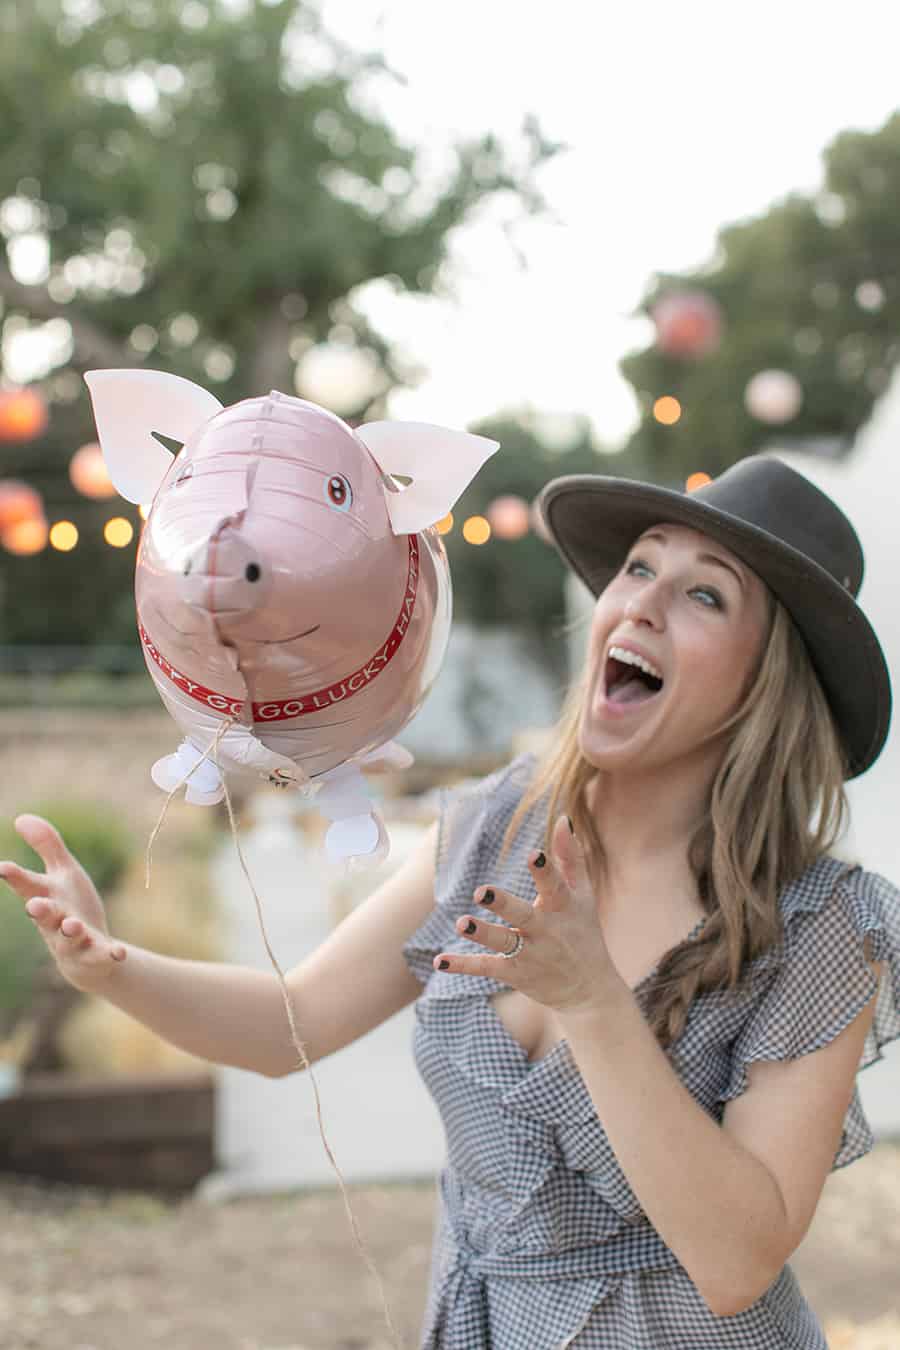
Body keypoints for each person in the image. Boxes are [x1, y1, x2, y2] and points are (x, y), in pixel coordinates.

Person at [2, 453, 899, 1348]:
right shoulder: (500, 824)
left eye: (707, 596)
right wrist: (110, 966)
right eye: (640, 566)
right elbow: (293, 1022)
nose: (642, 604)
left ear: (767, 683)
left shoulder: (825, 930)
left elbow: (737, 1263)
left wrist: (592, 1003)